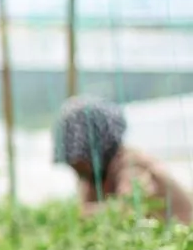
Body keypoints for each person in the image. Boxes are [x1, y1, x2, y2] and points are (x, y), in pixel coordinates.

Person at [53, 95, 193, 225]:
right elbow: (86, 209)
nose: (74, 166)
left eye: (78, 159)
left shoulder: (132, 165)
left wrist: (84, 213)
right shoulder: (95, 175)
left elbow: (129, 210)